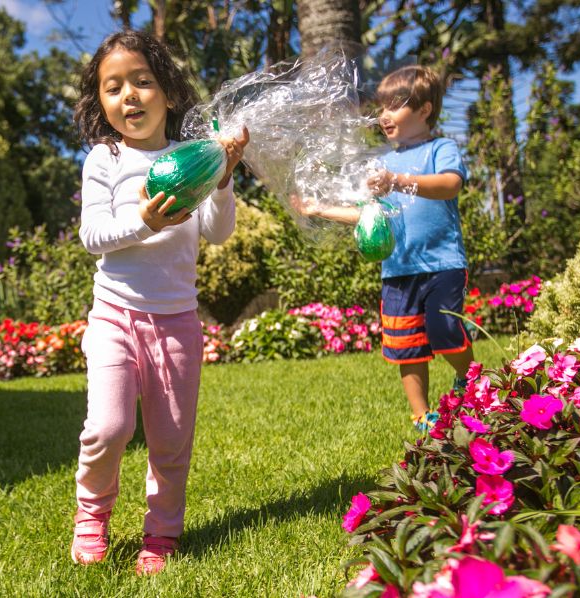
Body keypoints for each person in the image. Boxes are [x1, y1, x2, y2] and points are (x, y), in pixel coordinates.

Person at [70, 29, 249, 576]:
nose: (129, 95)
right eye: (113, 87)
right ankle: (92, 516)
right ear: (101, 103)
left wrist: (223, 178)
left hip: (176, 322)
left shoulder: (192, 158)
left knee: (171, 442)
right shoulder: (105, 159)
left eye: (142, 81)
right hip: (114, 317)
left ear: (168, 93)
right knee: (108, 428)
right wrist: (144, 221)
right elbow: (93, 236)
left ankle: (163, 532)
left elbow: (217, 233)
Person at [292, 65, 472, 433]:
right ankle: (422, 416)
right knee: (406, 343)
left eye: (394, 106)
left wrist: (399, 181)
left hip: (442, 263)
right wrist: (318, 209)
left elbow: (450, 185)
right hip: (397, 269)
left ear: (424, 110)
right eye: (381, 108)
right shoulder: (382, 165)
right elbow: (368, 214)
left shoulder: (440, 149)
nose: (383, 116)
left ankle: (468, 379)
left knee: (444, 330)